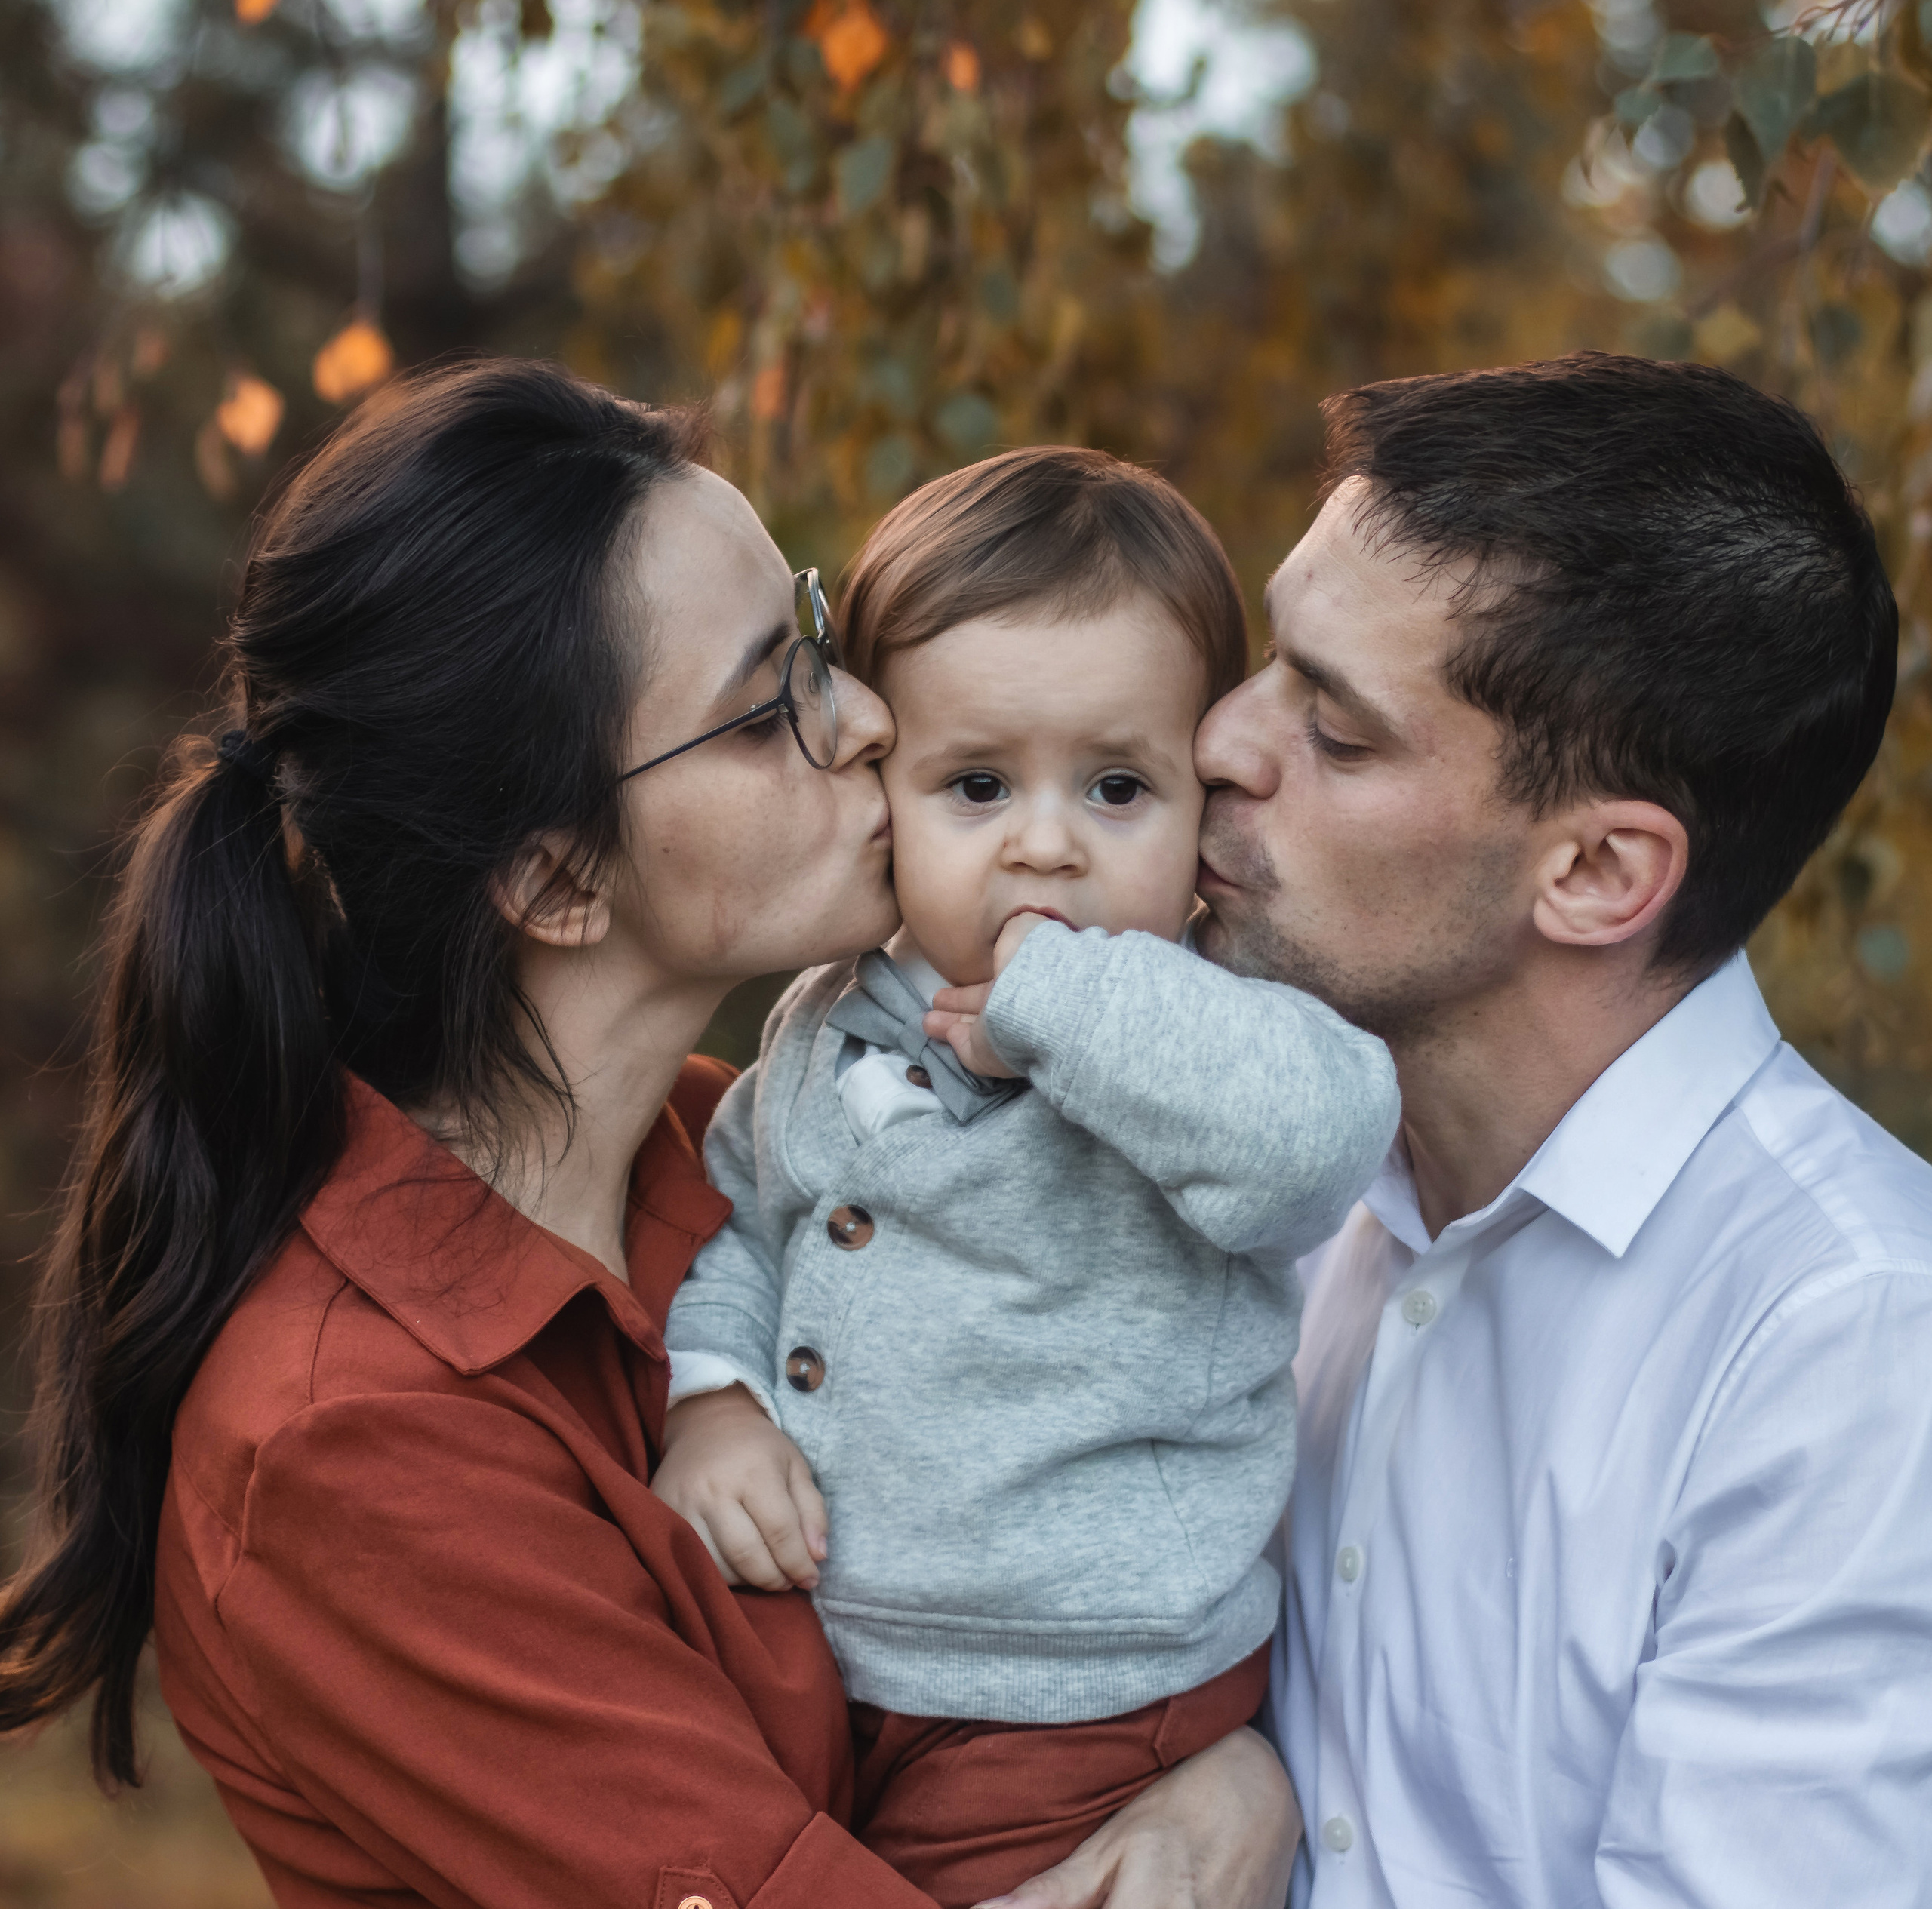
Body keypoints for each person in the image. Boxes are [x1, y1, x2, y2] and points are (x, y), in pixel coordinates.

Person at [0, 361, 1297, 1909]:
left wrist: (1216, 1756)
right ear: (557, 879)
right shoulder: (349, 1444)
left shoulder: (736, 1139)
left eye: (814, 635)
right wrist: (1227, 1802)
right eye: (766, 708)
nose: (867, 715)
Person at [1184, 352, 1932, 1907]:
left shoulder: (1851, 1348)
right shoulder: (1268, 1181)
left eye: (1335, 730)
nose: (1221, 742)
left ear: (1596, 874)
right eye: (1269, 658)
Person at [651, 448, 1399, 1907]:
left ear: (1199, 805)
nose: (1045, 844)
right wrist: (714, 1400)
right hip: (857, 1659)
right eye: (978, 785)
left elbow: (1314, 1143)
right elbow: (744, 1224)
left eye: (1118, 788)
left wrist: (1059, 1005)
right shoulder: (826, 1022)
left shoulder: (1201, 1026)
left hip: (1090, 1693)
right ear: (884, 789)